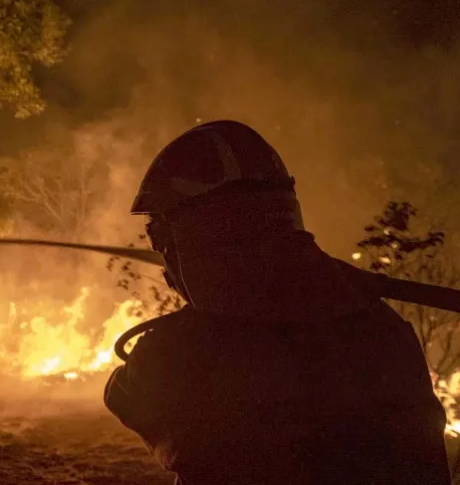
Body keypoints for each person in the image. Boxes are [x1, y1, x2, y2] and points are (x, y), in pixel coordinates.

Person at [104, 120, 451, 484]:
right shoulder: (382, 329)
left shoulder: (181, 353)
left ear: (192, 241)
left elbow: (128, 396)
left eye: (162, 240)